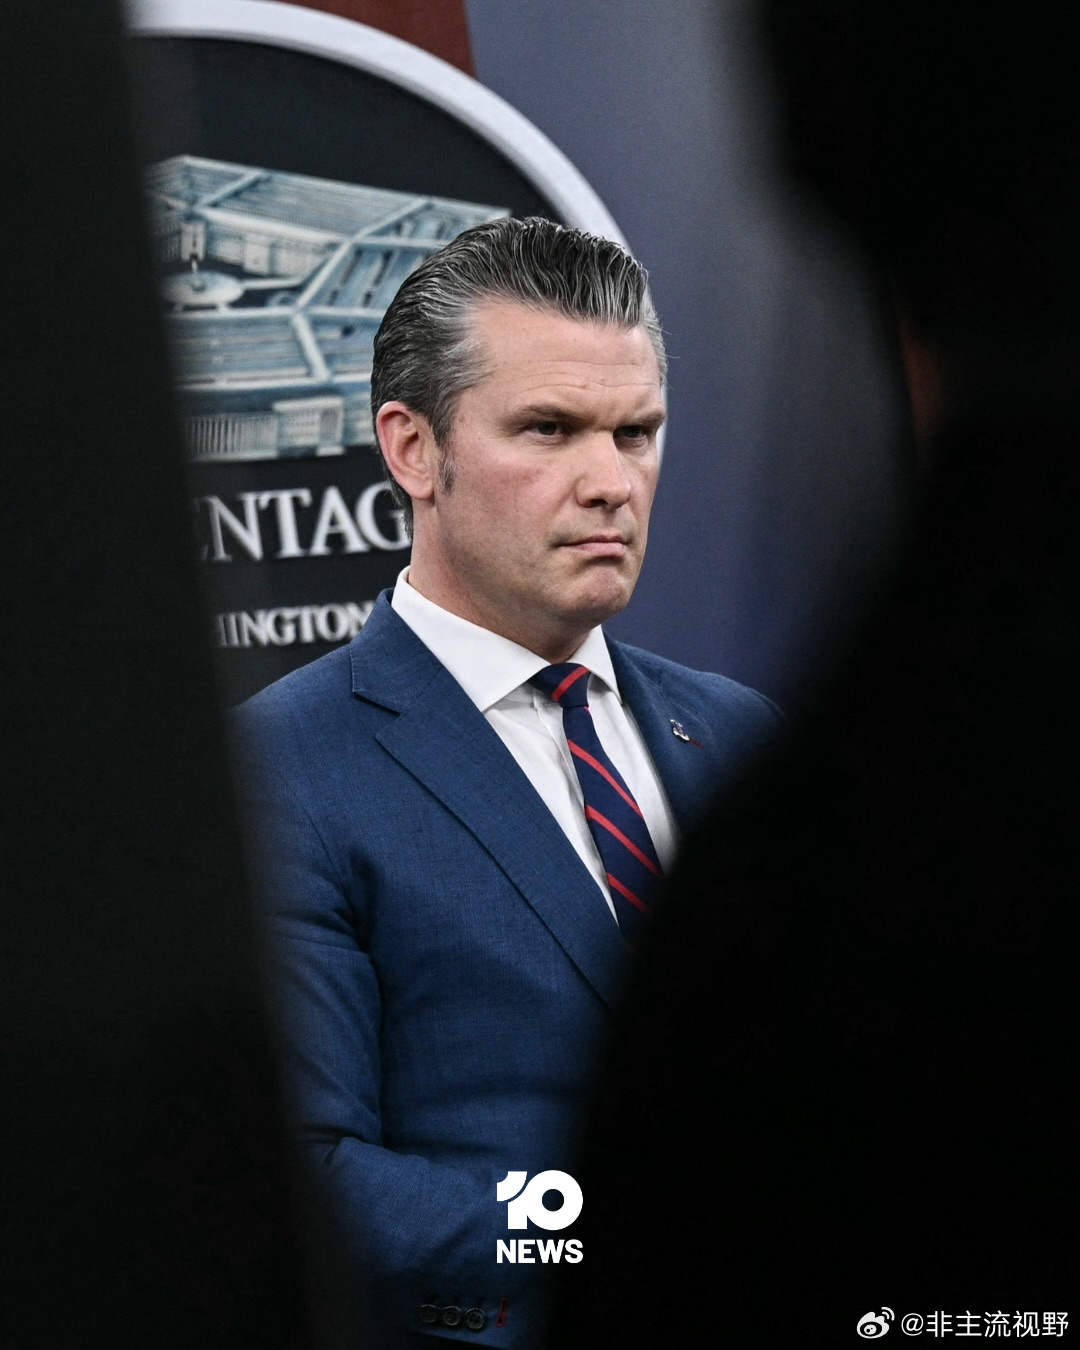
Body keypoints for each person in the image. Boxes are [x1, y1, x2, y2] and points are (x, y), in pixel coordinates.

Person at [234, 217, 781, 1349]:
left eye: (636, 433)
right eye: (550, 429)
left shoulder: (743, 735)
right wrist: (602, 1232)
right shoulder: (279, 768)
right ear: (412, 450)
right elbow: (305, 1179)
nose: (611, 483)